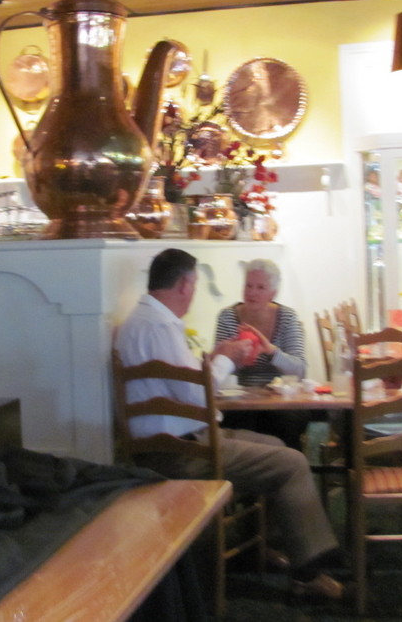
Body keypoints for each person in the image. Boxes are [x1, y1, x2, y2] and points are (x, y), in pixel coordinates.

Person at [114, 248, 344, 600]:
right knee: (293, 462)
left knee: (275, 445)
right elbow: (197, 396)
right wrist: (227, 359)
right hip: (182, 450)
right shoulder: (161, 326)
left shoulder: (143, 320)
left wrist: (215, 358)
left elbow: (182, 381)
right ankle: (309, 574)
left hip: (175, 439)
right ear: (185, 285)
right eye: (194, 285)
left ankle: (259, 545)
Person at [213, 258, 311, 450]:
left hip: (279, 401)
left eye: (260, 287)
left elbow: (300, 369)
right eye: (248, 285)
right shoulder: (227, 317)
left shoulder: (287, 317)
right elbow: (219, 369)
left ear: (273, 293)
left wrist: (271, 351)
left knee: (287, 421)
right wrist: (237, 358)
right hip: (239, 400)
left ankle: (287, 465)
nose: (252, 292)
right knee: (234, 421)